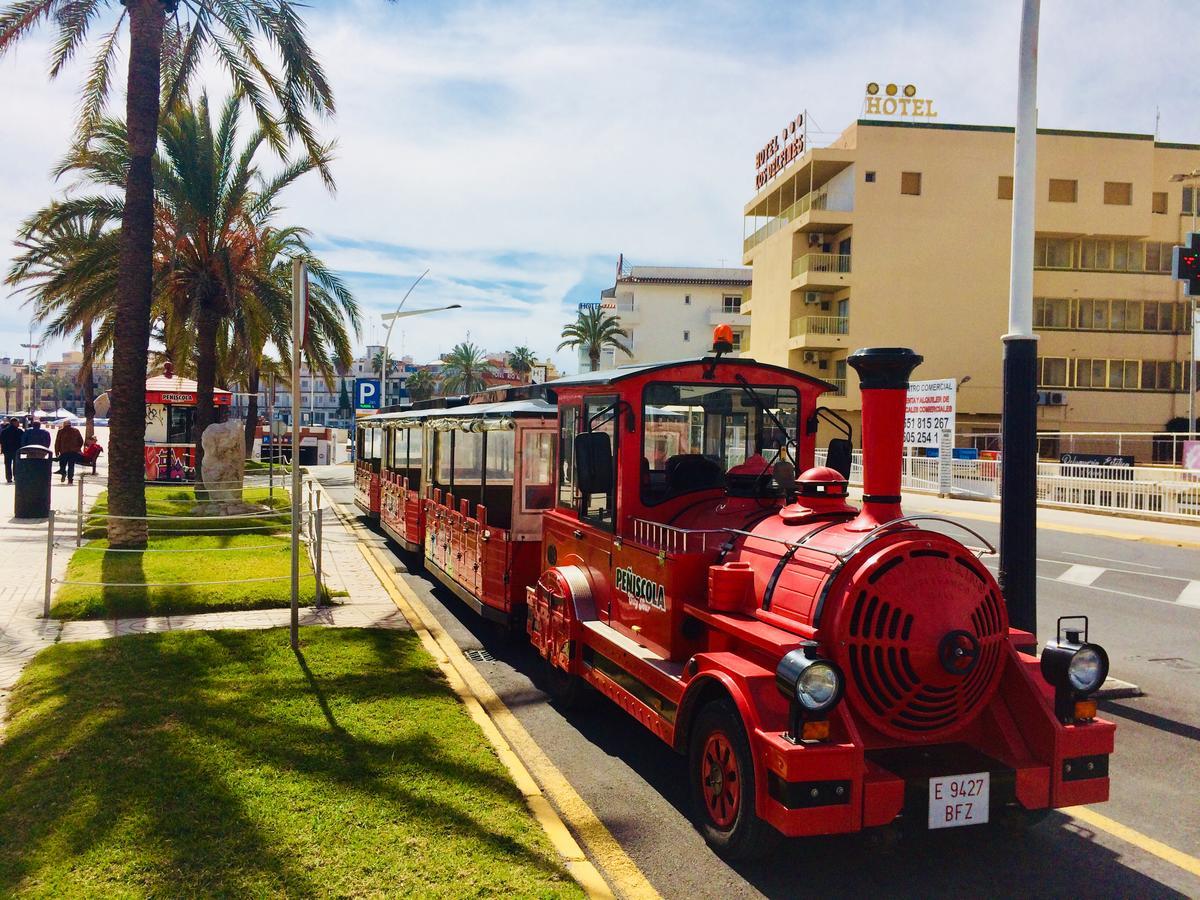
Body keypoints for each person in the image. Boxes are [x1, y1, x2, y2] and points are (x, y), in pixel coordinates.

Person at [54, 419, 85, 484]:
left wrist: (57, 452)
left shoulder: (61, 431)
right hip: (73, 451)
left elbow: (57, 442)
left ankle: (63, 473)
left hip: (63, 451)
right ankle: (70, 479)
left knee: (62, 464)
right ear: (70, 424)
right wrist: (77, 448)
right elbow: (81, 441)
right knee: (71, 465)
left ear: (64, 425)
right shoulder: (76, 431)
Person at [1, 417, 23, 483]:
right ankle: (16, 477)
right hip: (16, 450)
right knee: (16, 464)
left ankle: (8, 478)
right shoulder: (19, 431)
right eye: (17, 422)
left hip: (7, 450)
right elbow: (22, 440)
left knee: (7, 464)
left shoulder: (4, 431)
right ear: (14, 423)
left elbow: (1, 440)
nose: (19, 424)